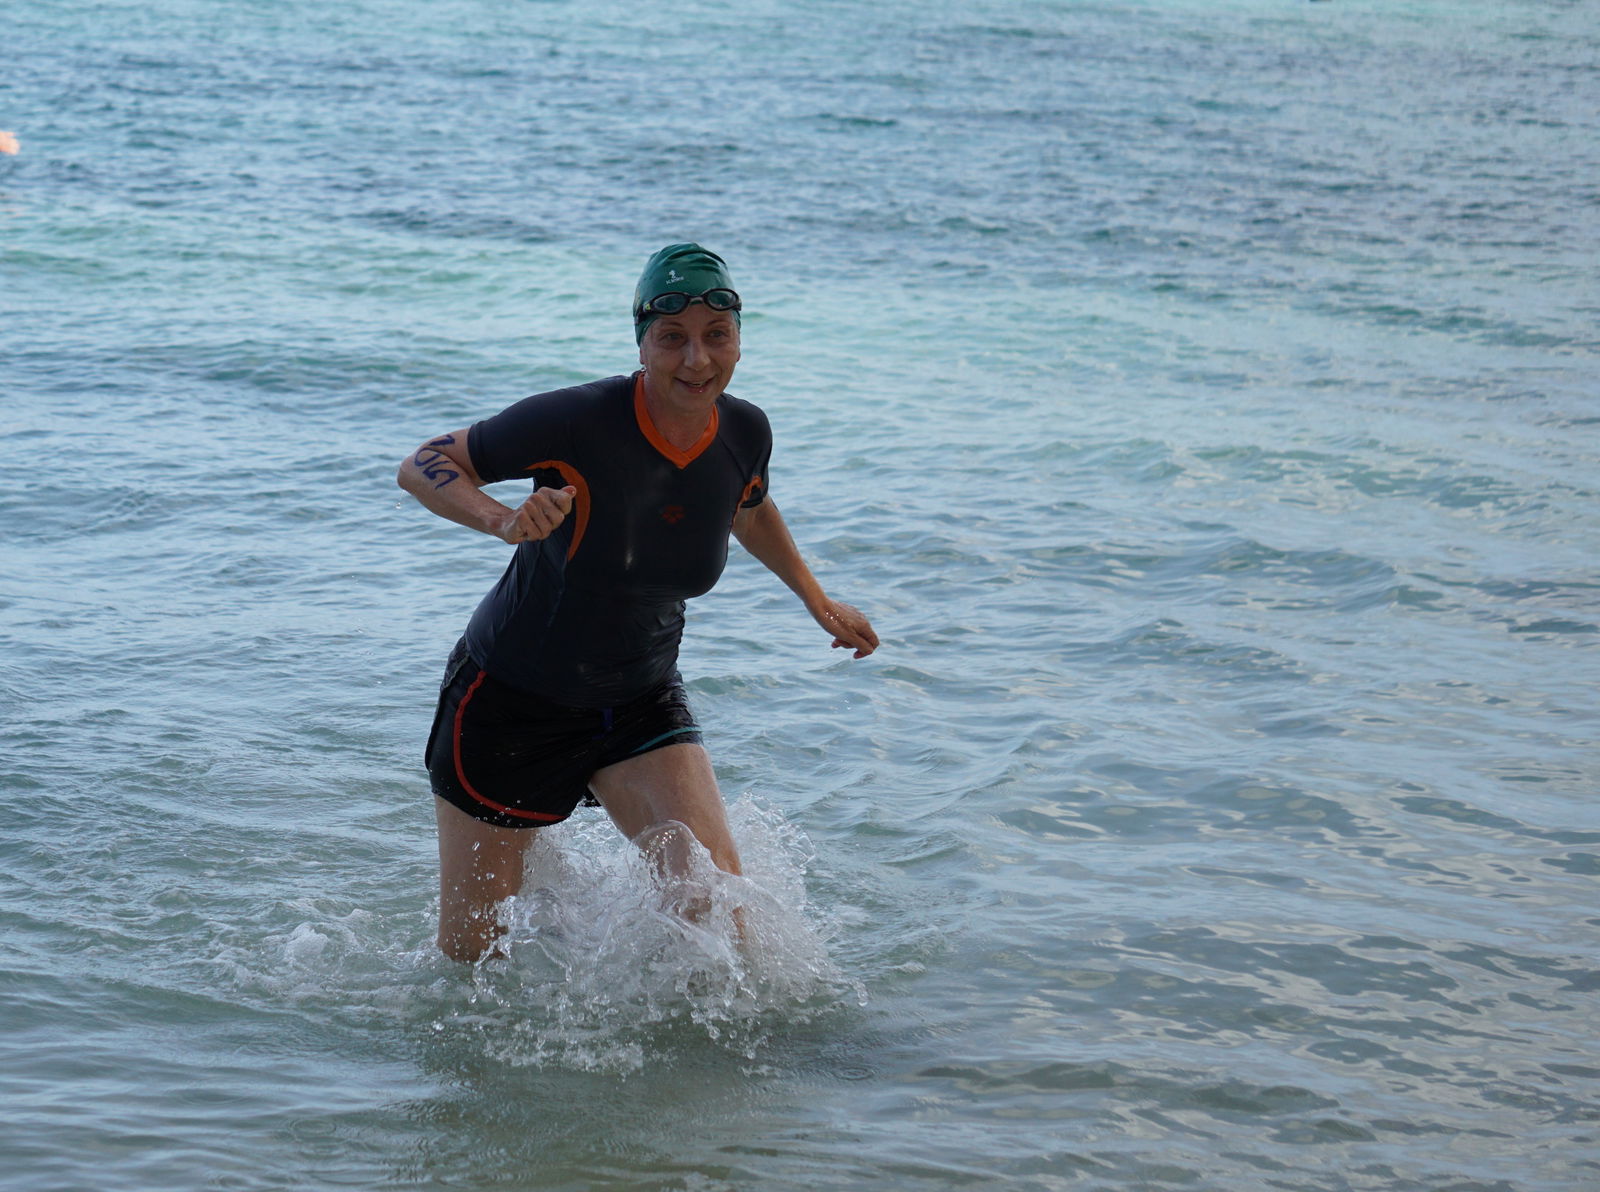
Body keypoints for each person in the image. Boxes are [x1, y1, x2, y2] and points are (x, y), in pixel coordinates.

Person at [397, 244, 879, 963]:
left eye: (716, 337)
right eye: (672, 338)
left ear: (739, 339)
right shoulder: (575, 421)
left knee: (715, 908)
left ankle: (740, 1068)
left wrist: (816, 598)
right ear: (642, 343)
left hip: (639, 695)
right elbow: (425, 464)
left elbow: (747, 507)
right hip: (508, 706)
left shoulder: (745, 431)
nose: (697, 360)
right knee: (475, 966)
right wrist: (502, 519)